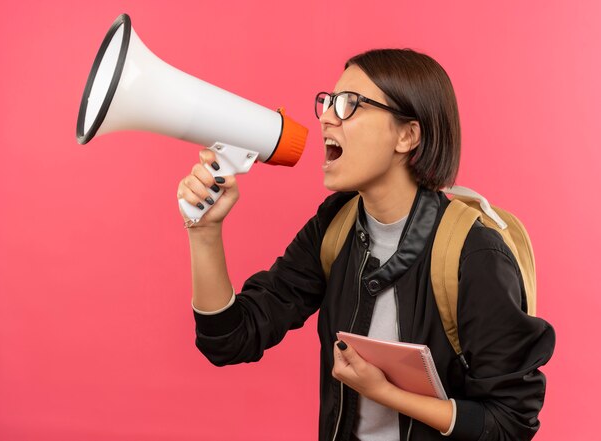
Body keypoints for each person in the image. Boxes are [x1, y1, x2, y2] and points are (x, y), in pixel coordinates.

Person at [176, 49, 555, 441]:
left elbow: (510, 422)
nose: (325, 117)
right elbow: (230, 339)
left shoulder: (473, 254)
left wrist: (386, 393)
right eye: (328, 102)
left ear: (407, 135)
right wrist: (204, 232)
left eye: (349, 105)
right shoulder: (335, 226)